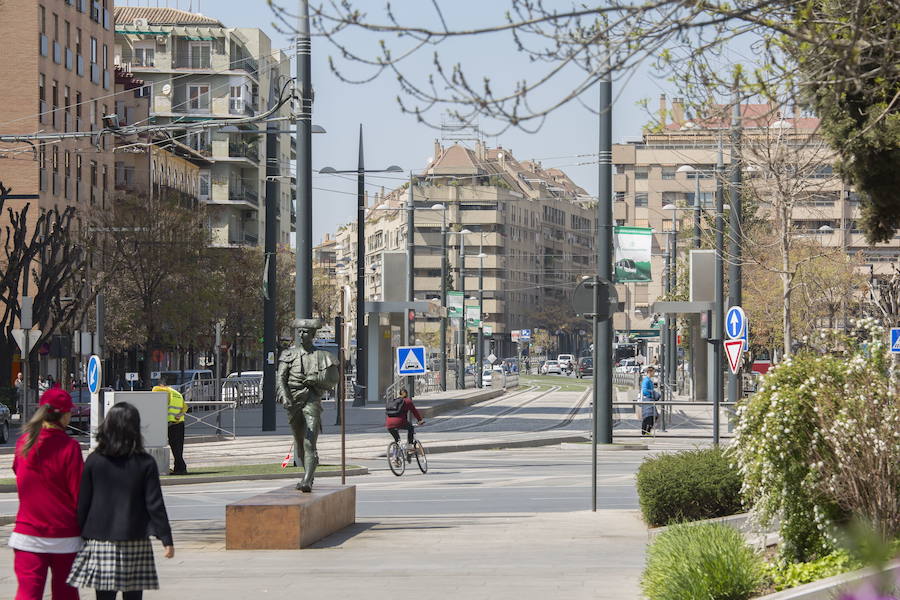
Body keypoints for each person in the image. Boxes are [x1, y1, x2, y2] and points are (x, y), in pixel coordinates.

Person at [67, 402, 174, 599]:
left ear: (107, 427)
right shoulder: (145, 462)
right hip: (135, 537)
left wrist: (77, 535)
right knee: (133, 596)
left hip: (100, 539)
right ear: (135, 429)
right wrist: (166, 538)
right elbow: (154, 504)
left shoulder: (94, 461)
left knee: (104, 596)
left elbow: (83, 503)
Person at [9, 388, 83, 600]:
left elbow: (18, 472)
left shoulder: (24, 443)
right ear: (63, 415)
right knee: (66, 594)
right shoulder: (70, 447)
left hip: (27, 533)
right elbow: (78, 493)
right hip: (64, 535)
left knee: (28, 593)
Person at [276, 318, 340, 492]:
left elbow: (334, 379)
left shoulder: (323, 356)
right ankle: (308, 473)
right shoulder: (288, 355)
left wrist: (316, 379)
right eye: (300, 332)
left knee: (309, 442)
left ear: (312, 335)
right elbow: (280, 378)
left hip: (311, 400)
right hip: (293, 402)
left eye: (306, 332)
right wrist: (284, 396)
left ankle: (307, 479)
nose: (302, 335)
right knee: (299, 443)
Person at [152, 375, 187, 475]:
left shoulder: (160, 389)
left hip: (170, 424)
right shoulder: (177, 394)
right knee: (178, 448)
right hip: (180, 423)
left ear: (161, 384)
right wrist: (178, 415)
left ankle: (181, 469)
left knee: (174, 447)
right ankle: (179, 468)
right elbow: (185, 407)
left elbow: (154, 395)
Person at [641, 366, 660, 436]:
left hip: (650, 400)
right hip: (648, 400)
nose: (654, 373)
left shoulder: (649, 380)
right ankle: (645, 432)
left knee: (652, 416)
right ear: (650, 372)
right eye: (653, 372)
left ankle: (647, 432)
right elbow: (645, 390)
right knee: (649, 416)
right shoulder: (646, 380)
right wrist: (652, 394)